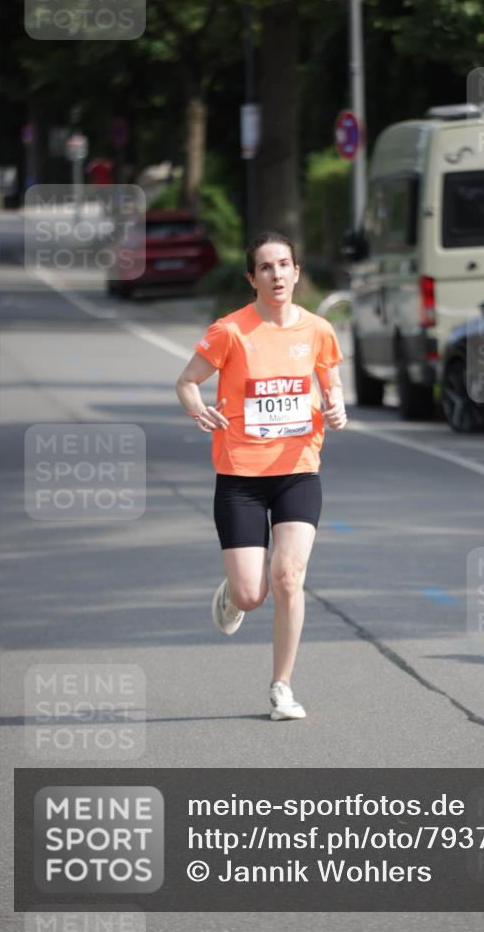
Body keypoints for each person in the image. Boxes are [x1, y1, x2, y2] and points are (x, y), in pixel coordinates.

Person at [175, 231, 347, 721]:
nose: (277, 275)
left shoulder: (317, 329)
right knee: (254, 594)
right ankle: (234, 592)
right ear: (252, 278)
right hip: (240, 476)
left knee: (288, 576)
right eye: (266, 268)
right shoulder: (231, 331)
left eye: (284, 265)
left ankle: (282, 687)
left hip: (298, 471)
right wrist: (198, 411)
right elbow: (187, 382)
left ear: (297, 272)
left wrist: (336, 408)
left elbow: (332, 387)